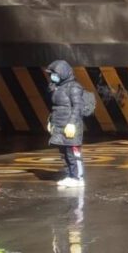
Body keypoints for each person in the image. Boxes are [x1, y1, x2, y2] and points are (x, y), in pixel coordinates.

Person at [46, 60, 89, 188]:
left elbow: (78, 107)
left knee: (73, 152)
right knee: (63, 152)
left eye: (55, 74)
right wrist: (51, 121)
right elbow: (56, 107)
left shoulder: (74, 87)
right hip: (59, 125)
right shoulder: (57, 87)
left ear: (63, 73)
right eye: (52, 74)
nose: (53, 76)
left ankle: (77, 177)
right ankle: (70, 175)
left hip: (70, 125)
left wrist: (72, 123)